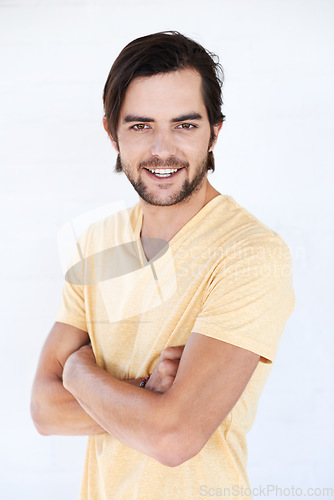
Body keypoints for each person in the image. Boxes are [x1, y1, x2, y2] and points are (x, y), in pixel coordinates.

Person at [31, 31, 295, 499]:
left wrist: (77, 372)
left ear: (215, 130)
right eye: (140, 126)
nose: (162, 149)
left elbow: (173, 438)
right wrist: (146, 397)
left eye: (185, 125)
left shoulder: (250, 254)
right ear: (112, 132)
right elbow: (45, 410)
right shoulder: (96, 243)